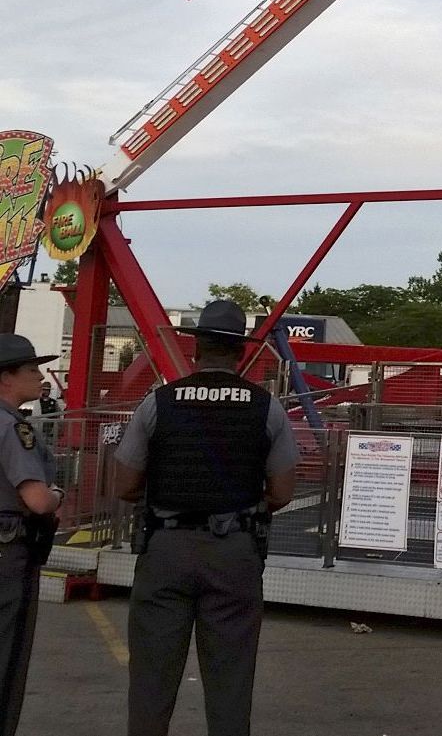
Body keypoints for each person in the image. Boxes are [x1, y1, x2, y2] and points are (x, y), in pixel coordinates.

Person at [113, 300, 299, 736]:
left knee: (151, 680)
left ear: (196, 348)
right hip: (234, 551)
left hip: (165, 550)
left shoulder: (158, 403)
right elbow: (283, 491)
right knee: (230, 680)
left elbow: (122, 485)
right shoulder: (265, 407)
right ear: (240, 353)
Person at [0, 334, 65, 736]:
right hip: (9, 552)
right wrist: (58, 495)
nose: (40, 377)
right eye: (31, 369)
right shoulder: (13, 428)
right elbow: (38, 501)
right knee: (7, 655)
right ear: (6, 377)